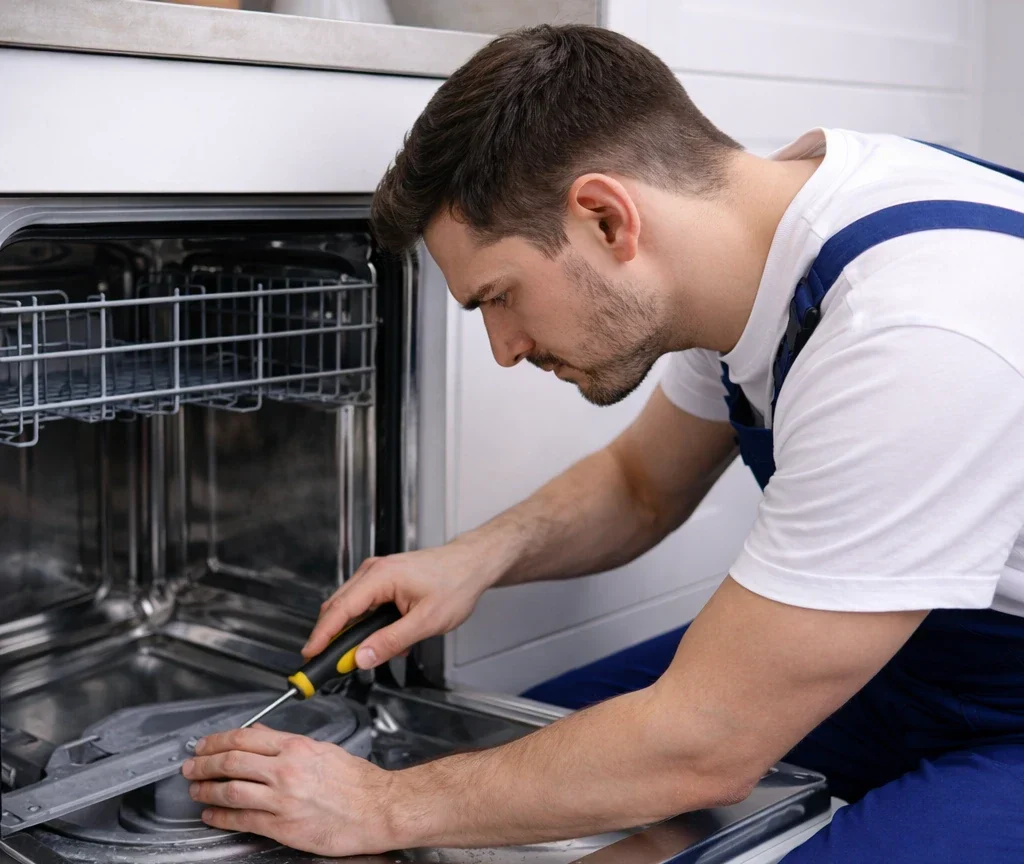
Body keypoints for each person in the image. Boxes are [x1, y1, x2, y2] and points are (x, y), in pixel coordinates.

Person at [181, 25, 1024, 862]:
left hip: (1006, 701)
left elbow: (707, 744)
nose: (504, 348)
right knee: (495, 765)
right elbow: (641, 485)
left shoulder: (912, 332)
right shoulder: (752, 241)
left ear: (604, 217)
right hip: (902, 654)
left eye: (498, 297)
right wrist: (471, 560)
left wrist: (386, 806)